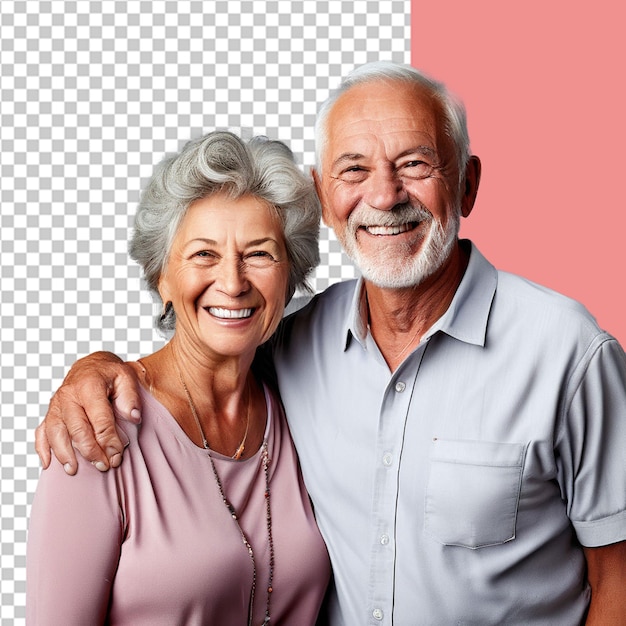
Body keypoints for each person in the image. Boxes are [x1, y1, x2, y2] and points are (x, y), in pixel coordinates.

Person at [35, 62, 626, 624]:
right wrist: (94, 368)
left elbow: (619, 579)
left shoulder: (569, 354)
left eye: (415, 163)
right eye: (354, 170)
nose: (386, 195)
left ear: (467, 184)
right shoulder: (278, 352)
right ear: (325, 197)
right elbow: (204, 345)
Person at [26, 130, 331, 624]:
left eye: (259, 254)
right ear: (161, 278)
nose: (232, 283)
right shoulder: (98, 427)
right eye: (204, 255)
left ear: (289, 277)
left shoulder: (305, 402)